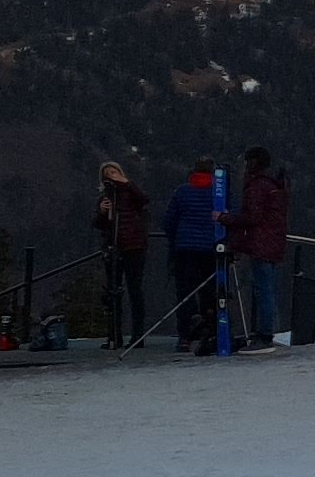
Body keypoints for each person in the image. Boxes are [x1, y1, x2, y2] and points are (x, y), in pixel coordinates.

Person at [223, 145, 293, 346]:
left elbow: (252, 217)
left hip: (261, 243)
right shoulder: (274, 186)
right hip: (273, 242)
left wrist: (224, 218)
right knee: (266, 288)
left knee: (263, 289)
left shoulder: (257, 187)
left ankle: (264, 333)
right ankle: (264, 330)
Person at [161, 158, 227, 351]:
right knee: (211, 293)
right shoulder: (219, 193)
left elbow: (168, 221)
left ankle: (185, 337)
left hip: (185, 248)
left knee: (185, 294)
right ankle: (211, 333)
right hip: (212, 248)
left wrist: (176, 239)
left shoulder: (182, 191)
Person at [90, 161, 152, 347]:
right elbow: (98, 224)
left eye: (113, 172)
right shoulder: (104, 198)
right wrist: (102, 212)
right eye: (107, 174)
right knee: (113, 291)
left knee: (135, 290)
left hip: (134, 246)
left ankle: (138, 335)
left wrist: (127, 183)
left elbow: (144, 200)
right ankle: (114, 335)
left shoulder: (131, 192)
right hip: (113, 247)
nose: (111, 176)